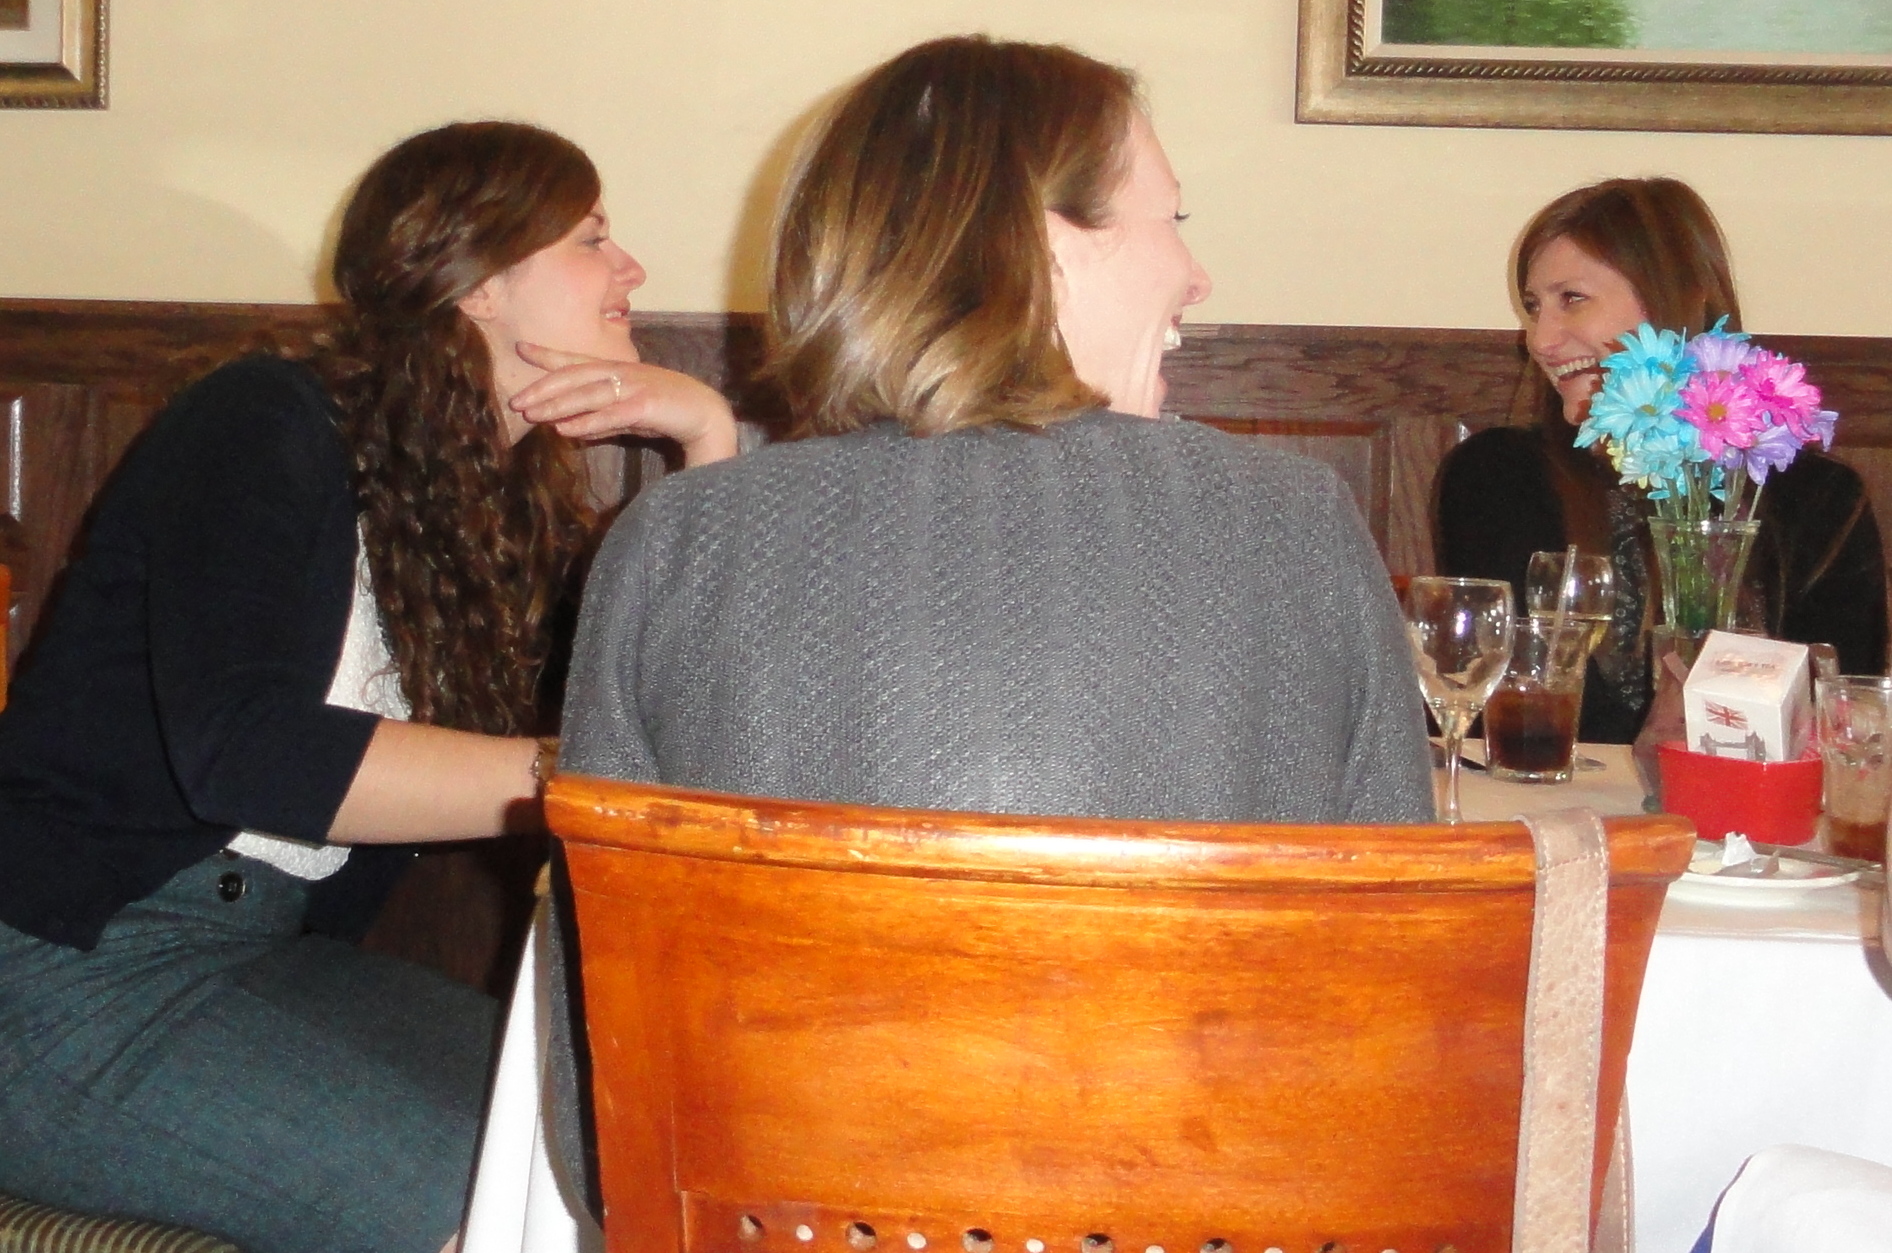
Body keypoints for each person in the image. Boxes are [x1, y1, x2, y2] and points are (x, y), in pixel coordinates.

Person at [0, 121, 737, 1253]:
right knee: (514, 1210)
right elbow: (248, 751)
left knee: (642, 1146)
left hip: (264, 955)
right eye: (592, 238)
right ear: (481, 281)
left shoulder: (481, 501)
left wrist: (708, 441)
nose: (629, 267)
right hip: (63, 974)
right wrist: (583, 774)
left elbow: (666, 710)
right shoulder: (262, 420)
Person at [560, 35, 1432, 824]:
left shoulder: (668, 541)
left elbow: (594, 938)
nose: (1196, 277)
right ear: (1045, 250)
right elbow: (1400, 919)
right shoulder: (1293, 524)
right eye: (1173, 220)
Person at [1435, 177, 1886, 743]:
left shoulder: (1820, 500)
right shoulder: (1497, 476)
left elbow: (1842, 713)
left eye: (1572, 299)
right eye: (1533, 307)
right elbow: (1498, 702)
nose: (1540, 340)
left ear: (1670, 302)